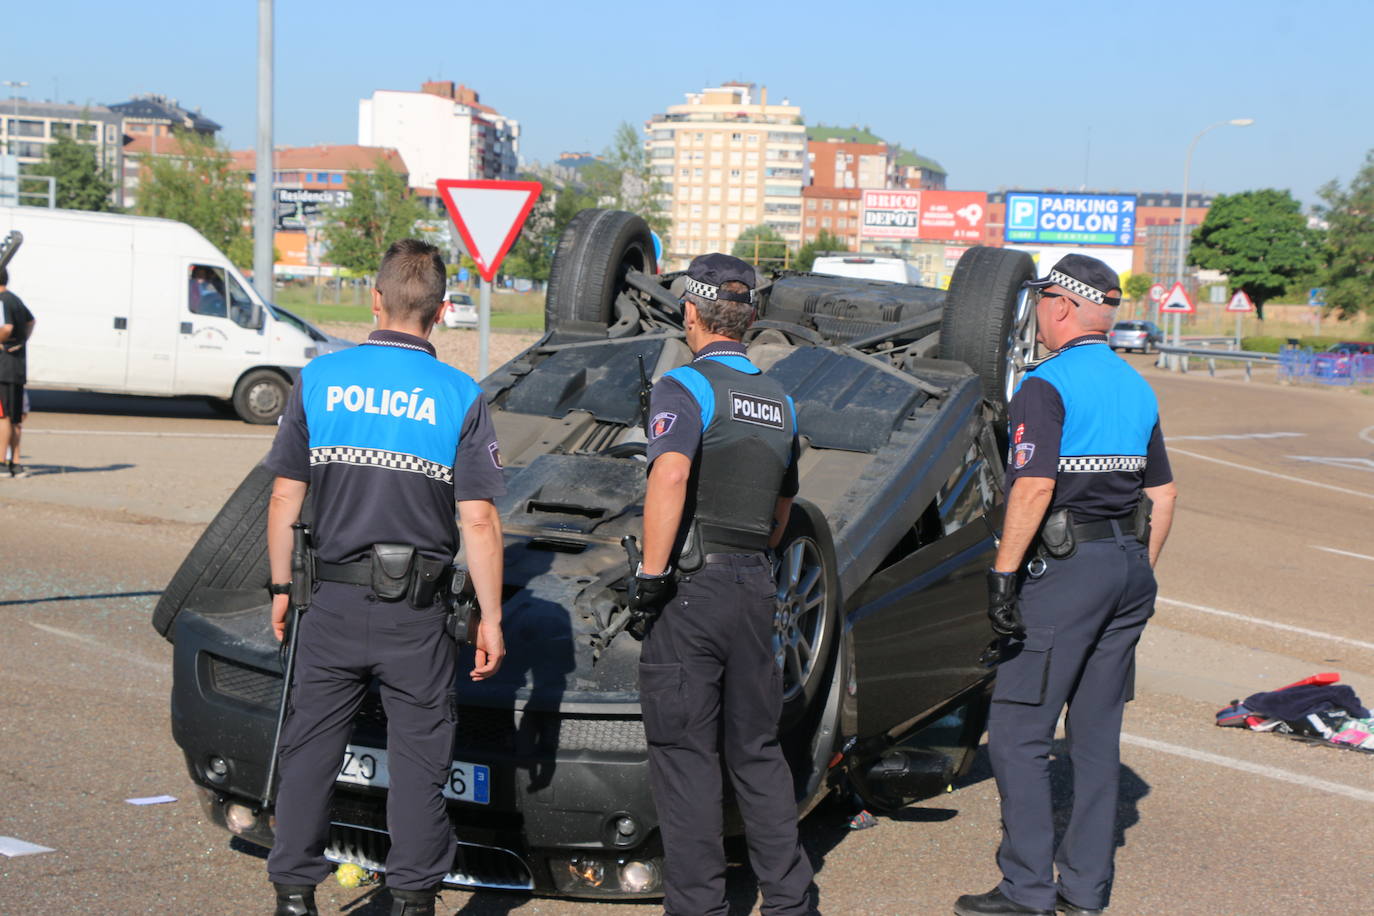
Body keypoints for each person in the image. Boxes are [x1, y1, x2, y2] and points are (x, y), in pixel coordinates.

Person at [261, 239, 508, 916]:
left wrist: (282, 589)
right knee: (421, 763)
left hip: (331, 602)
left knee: (310, 748)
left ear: (375, 300)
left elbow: (286, 497)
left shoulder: (319, 378)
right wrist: (491, 616)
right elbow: (479, 520)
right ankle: (411, 900)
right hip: (417, 614)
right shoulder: (460, 394)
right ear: (441, 310)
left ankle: (292, 893)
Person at [954, 255, 1177, 916]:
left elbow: (1034, 486)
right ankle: (1084, 892)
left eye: (1042, 303)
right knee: (1096, 738)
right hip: (1127, 566)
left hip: (1066, 571)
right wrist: (1135, 569)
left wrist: (1003, 577)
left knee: (1019, 731)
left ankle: (1027, 890)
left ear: (1059, 306)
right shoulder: (1137, 386)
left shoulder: (1045, 387)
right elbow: (1161, 495)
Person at [627, 252, 814, 916]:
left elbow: (670, 477)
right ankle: (791, 900)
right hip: (752, 583)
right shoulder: (781, 401)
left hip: (693, 590)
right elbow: (783, 510)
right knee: (757, 751)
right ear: (750, 317)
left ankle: (699, 907)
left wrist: (652, 576)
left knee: (686, 760)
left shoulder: (686, 386)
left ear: (691, 313)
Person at [0, 266, 36, 479]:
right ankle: (16, 463)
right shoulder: (16, 300)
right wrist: (22, 342)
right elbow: (31, 322)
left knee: (3, 417)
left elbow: (6, 328)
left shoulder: (2, 300)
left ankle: (1, 462)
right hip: (17, 367)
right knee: (15, 418)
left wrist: (5, 340)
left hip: (3, 368)